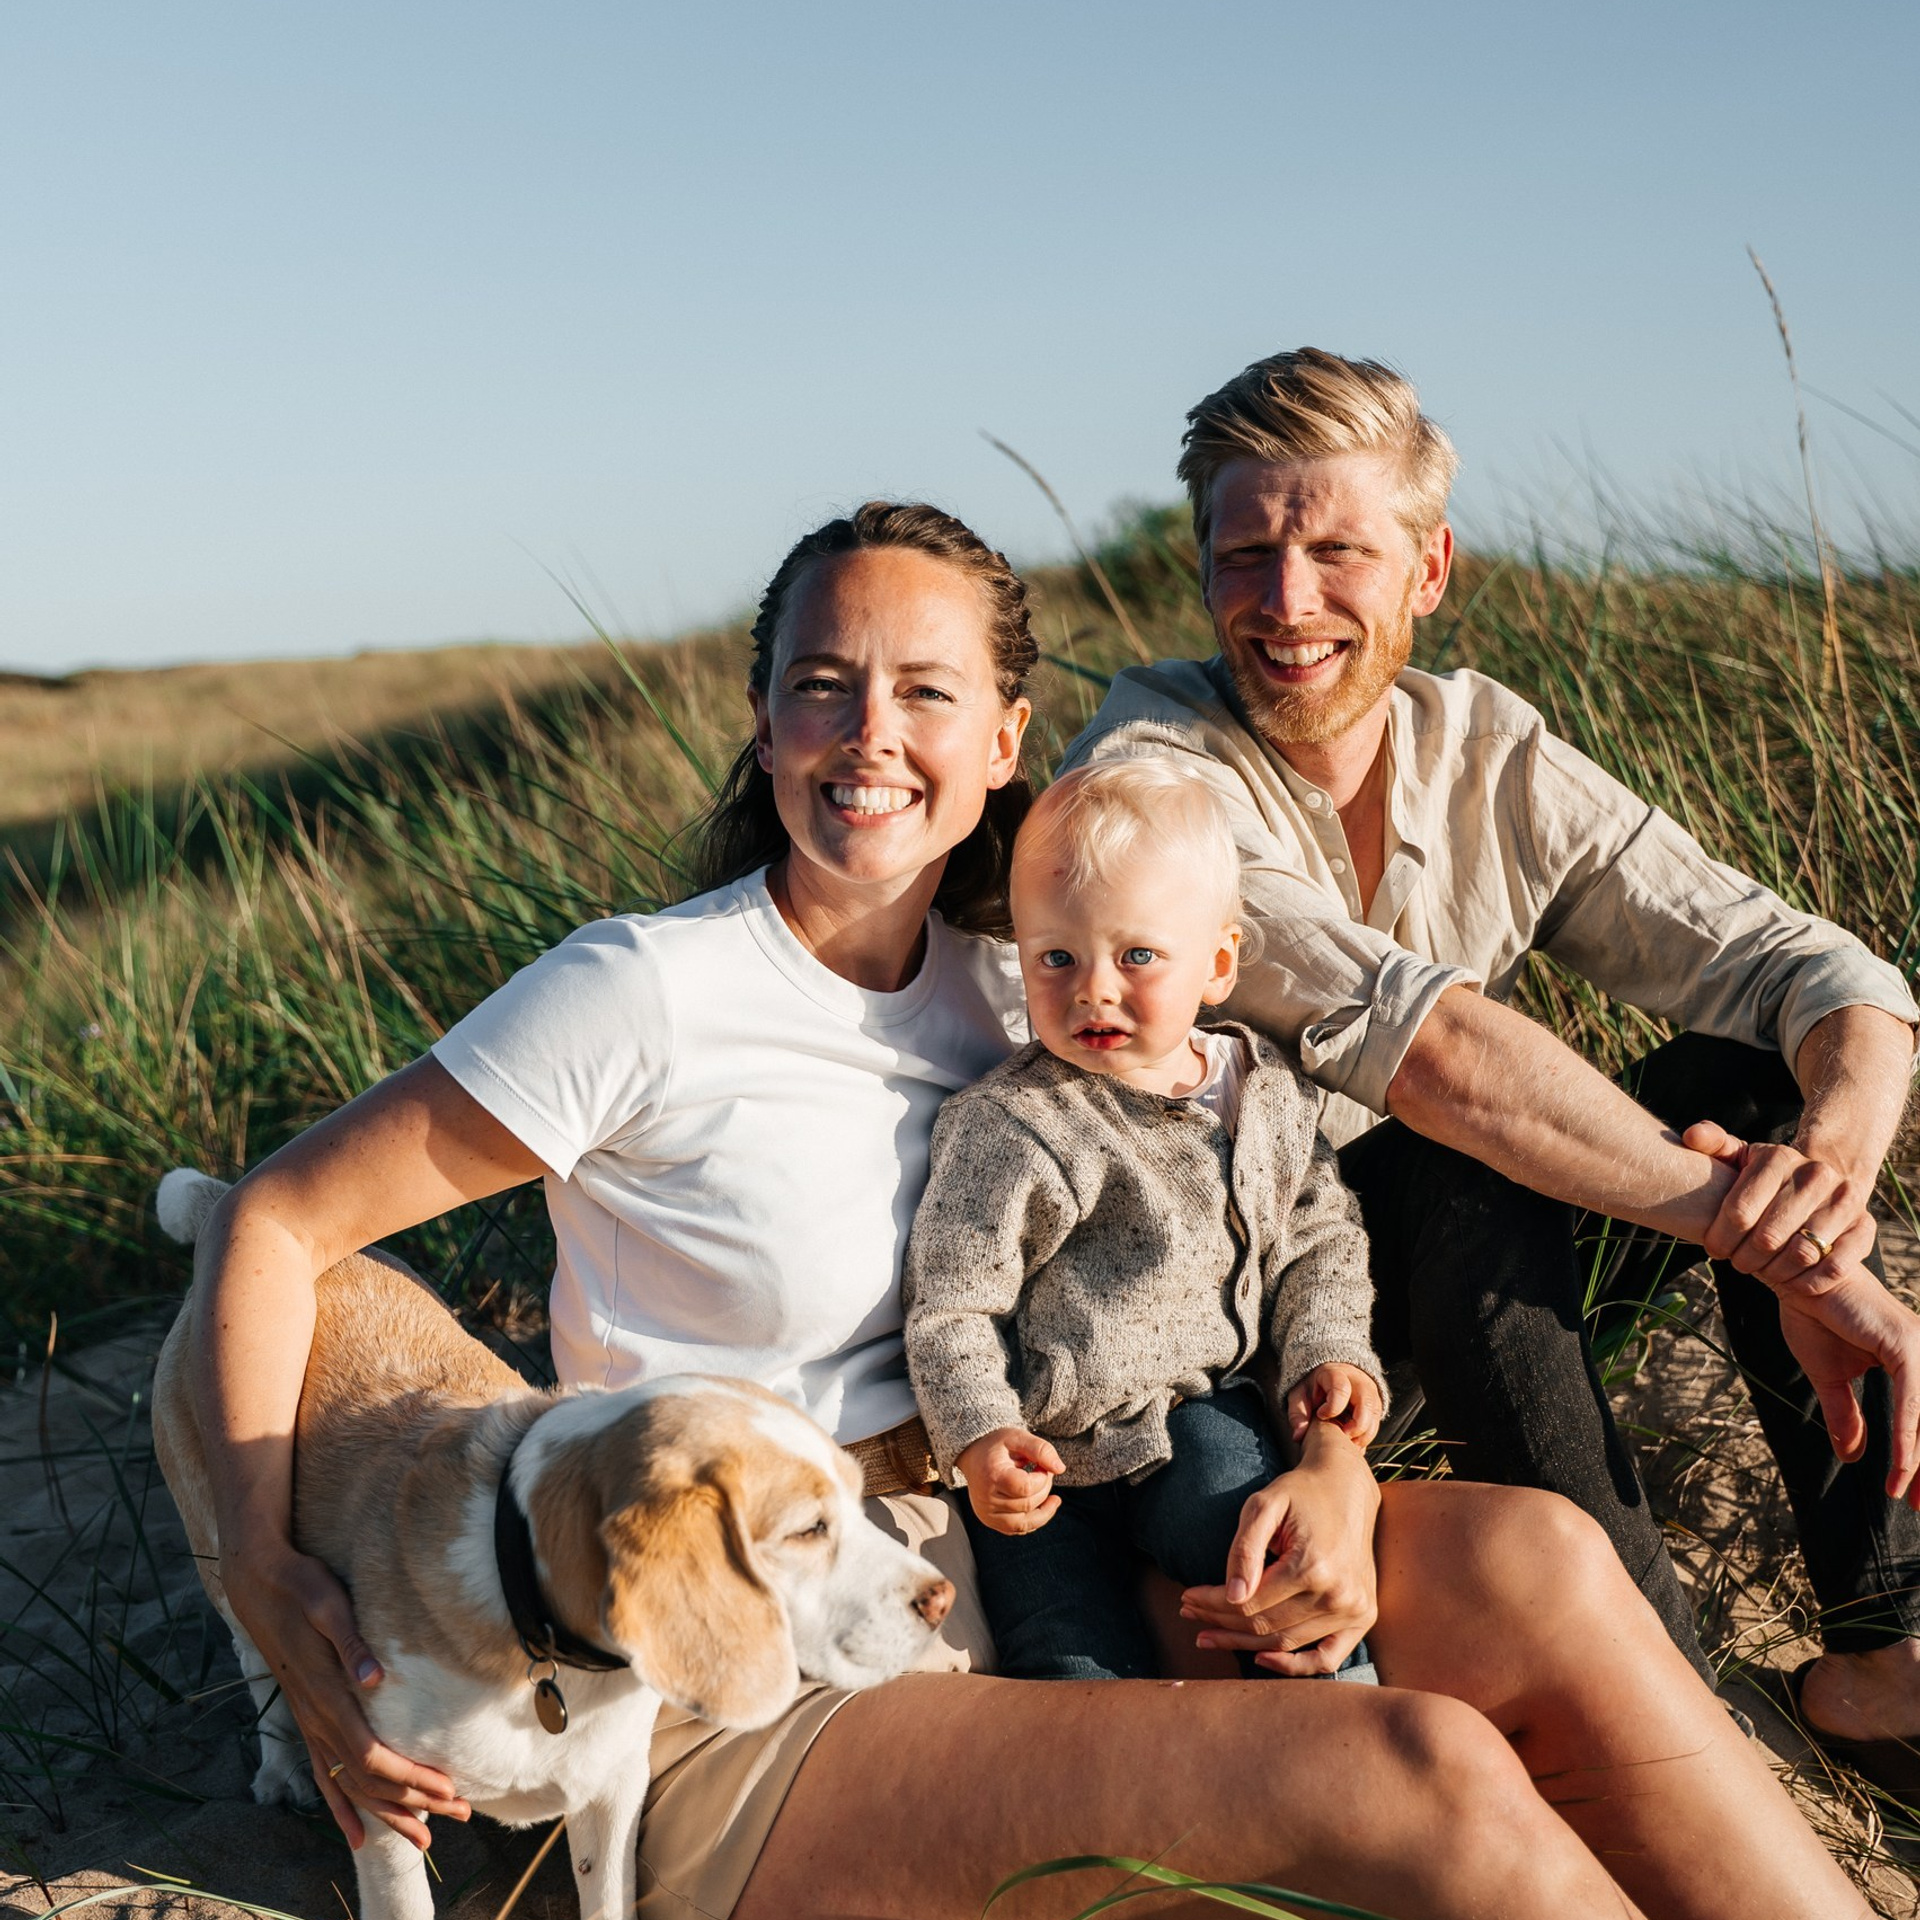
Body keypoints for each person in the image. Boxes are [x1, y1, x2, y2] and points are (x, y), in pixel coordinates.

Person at [184, 498, 1875, 1918]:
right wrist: (270, 1586)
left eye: (926, 691)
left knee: (1540, 1567)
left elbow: (1391, 1077)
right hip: (746, 1652)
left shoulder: (1042, 981)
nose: (870, 733)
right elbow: (268, 1229)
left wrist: (1342, 1458)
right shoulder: (645, 994)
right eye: (823, 686)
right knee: (1413, 1767)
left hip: (1066, 1532)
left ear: (1006, 742)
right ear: (766, 722)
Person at [1059, 346, 1920, 1774]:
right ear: (1203, 568)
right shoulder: (1149, 776)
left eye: (1338, 552)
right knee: (1472, 1159)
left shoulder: (1486, 750)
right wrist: (1773, 1245)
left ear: (1430, 567)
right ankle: (1668, 1709)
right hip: (1253, 1347)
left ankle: (1882, 1661)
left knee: (1765, 1085)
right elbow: (1432, 1053)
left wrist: (1818, 1184)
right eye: (1247, 555)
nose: (1287, 603)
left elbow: (1811, 968)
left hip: (1462, 1283)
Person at [904, 759, 1385, 1686]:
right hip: (1044, 1457)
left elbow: (1321, 1237)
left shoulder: (1266, 1092)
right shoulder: (1011, 1124)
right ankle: (1103, 1762)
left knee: (1260, 1550)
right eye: (1056, 958)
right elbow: (952, 1305)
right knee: (1060, 1644)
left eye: (1137, 957)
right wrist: (979, 1434)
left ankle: (1337, 1704)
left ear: (1217, 963)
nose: (1093, 991)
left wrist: (1330, 1349)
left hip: (1198, 1416)